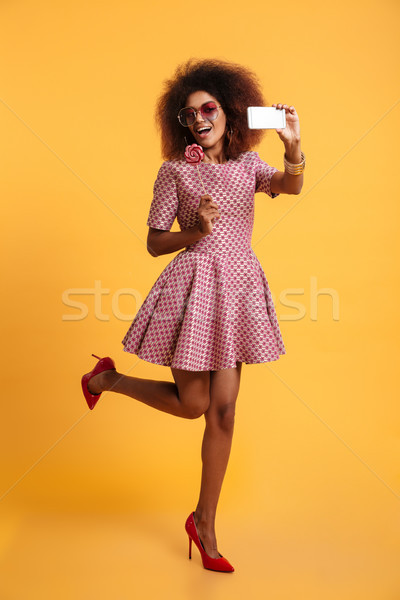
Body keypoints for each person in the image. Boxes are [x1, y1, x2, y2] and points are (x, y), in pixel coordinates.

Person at [81, 58, 304, 573]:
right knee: (193, 405)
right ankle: (107, 378)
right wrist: (196, 232)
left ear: (229, 112)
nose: (199, 118)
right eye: (188, 114)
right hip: (194, 286)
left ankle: (204, 523)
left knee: (223, 413)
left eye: (208, 108)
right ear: (180, 124)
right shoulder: (175, 171)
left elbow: (290, 187)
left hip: (239, 286)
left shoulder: (248, 167)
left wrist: (292, 146)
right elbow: (155, 241)